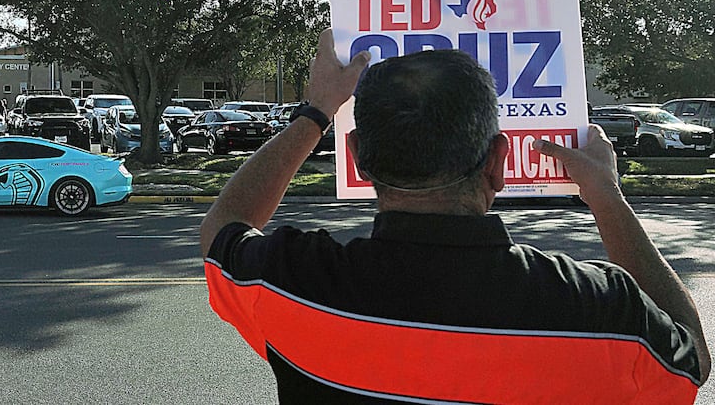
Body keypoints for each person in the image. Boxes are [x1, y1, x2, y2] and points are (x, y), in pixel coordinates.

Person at [201, 30, 709, 403]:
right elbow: (691, 363)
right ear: (497, 161)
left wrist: (316, 113)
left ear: (356, 157)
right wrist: (606, 195)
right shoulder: (602, 311)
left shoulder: (293, 280)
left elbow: (221, 230)